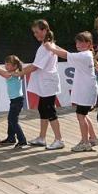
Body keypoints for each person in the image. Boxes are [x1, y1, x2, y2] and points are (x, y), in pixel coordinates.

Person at [44, 31, 98, 152]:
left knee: (81, 116)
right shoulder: (85, 54)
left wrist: (51, 48)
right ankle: (93, 138)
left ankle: (85, 142)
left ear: (89, 43)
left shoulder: (84, 55)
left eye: (81, 42)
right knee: (84, 115)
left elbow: (65, 55)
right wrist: (53, 45)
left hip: (85, 90)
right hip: (86, 90)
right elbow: (67, 53)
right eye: (77, 42)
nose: (78, 44)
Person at [16, 19, 64, 150]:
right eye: (34, 32)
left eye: (37, 32)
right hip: (44, 84)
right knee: (43, 109)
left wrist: (19, 73)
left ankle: (59, 139)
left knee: (50, 110)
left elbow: (35, 66)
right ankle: (42, 138)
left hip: (48, 84)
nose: (35, 35)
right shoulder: (45, 45)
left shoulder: (47, 46)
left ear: (45, 30)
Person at [0, 55, 27, 148]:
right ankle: (11, 138)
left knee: (13, 121)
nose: (5, 66)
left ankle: (22, 140)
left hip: (17, 101)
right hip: (15, 101)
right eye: (5, 64)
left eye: (8, 64)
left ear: (15, 66)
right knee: (11, 120)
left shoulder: (11, 74)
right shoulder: (13, 72)